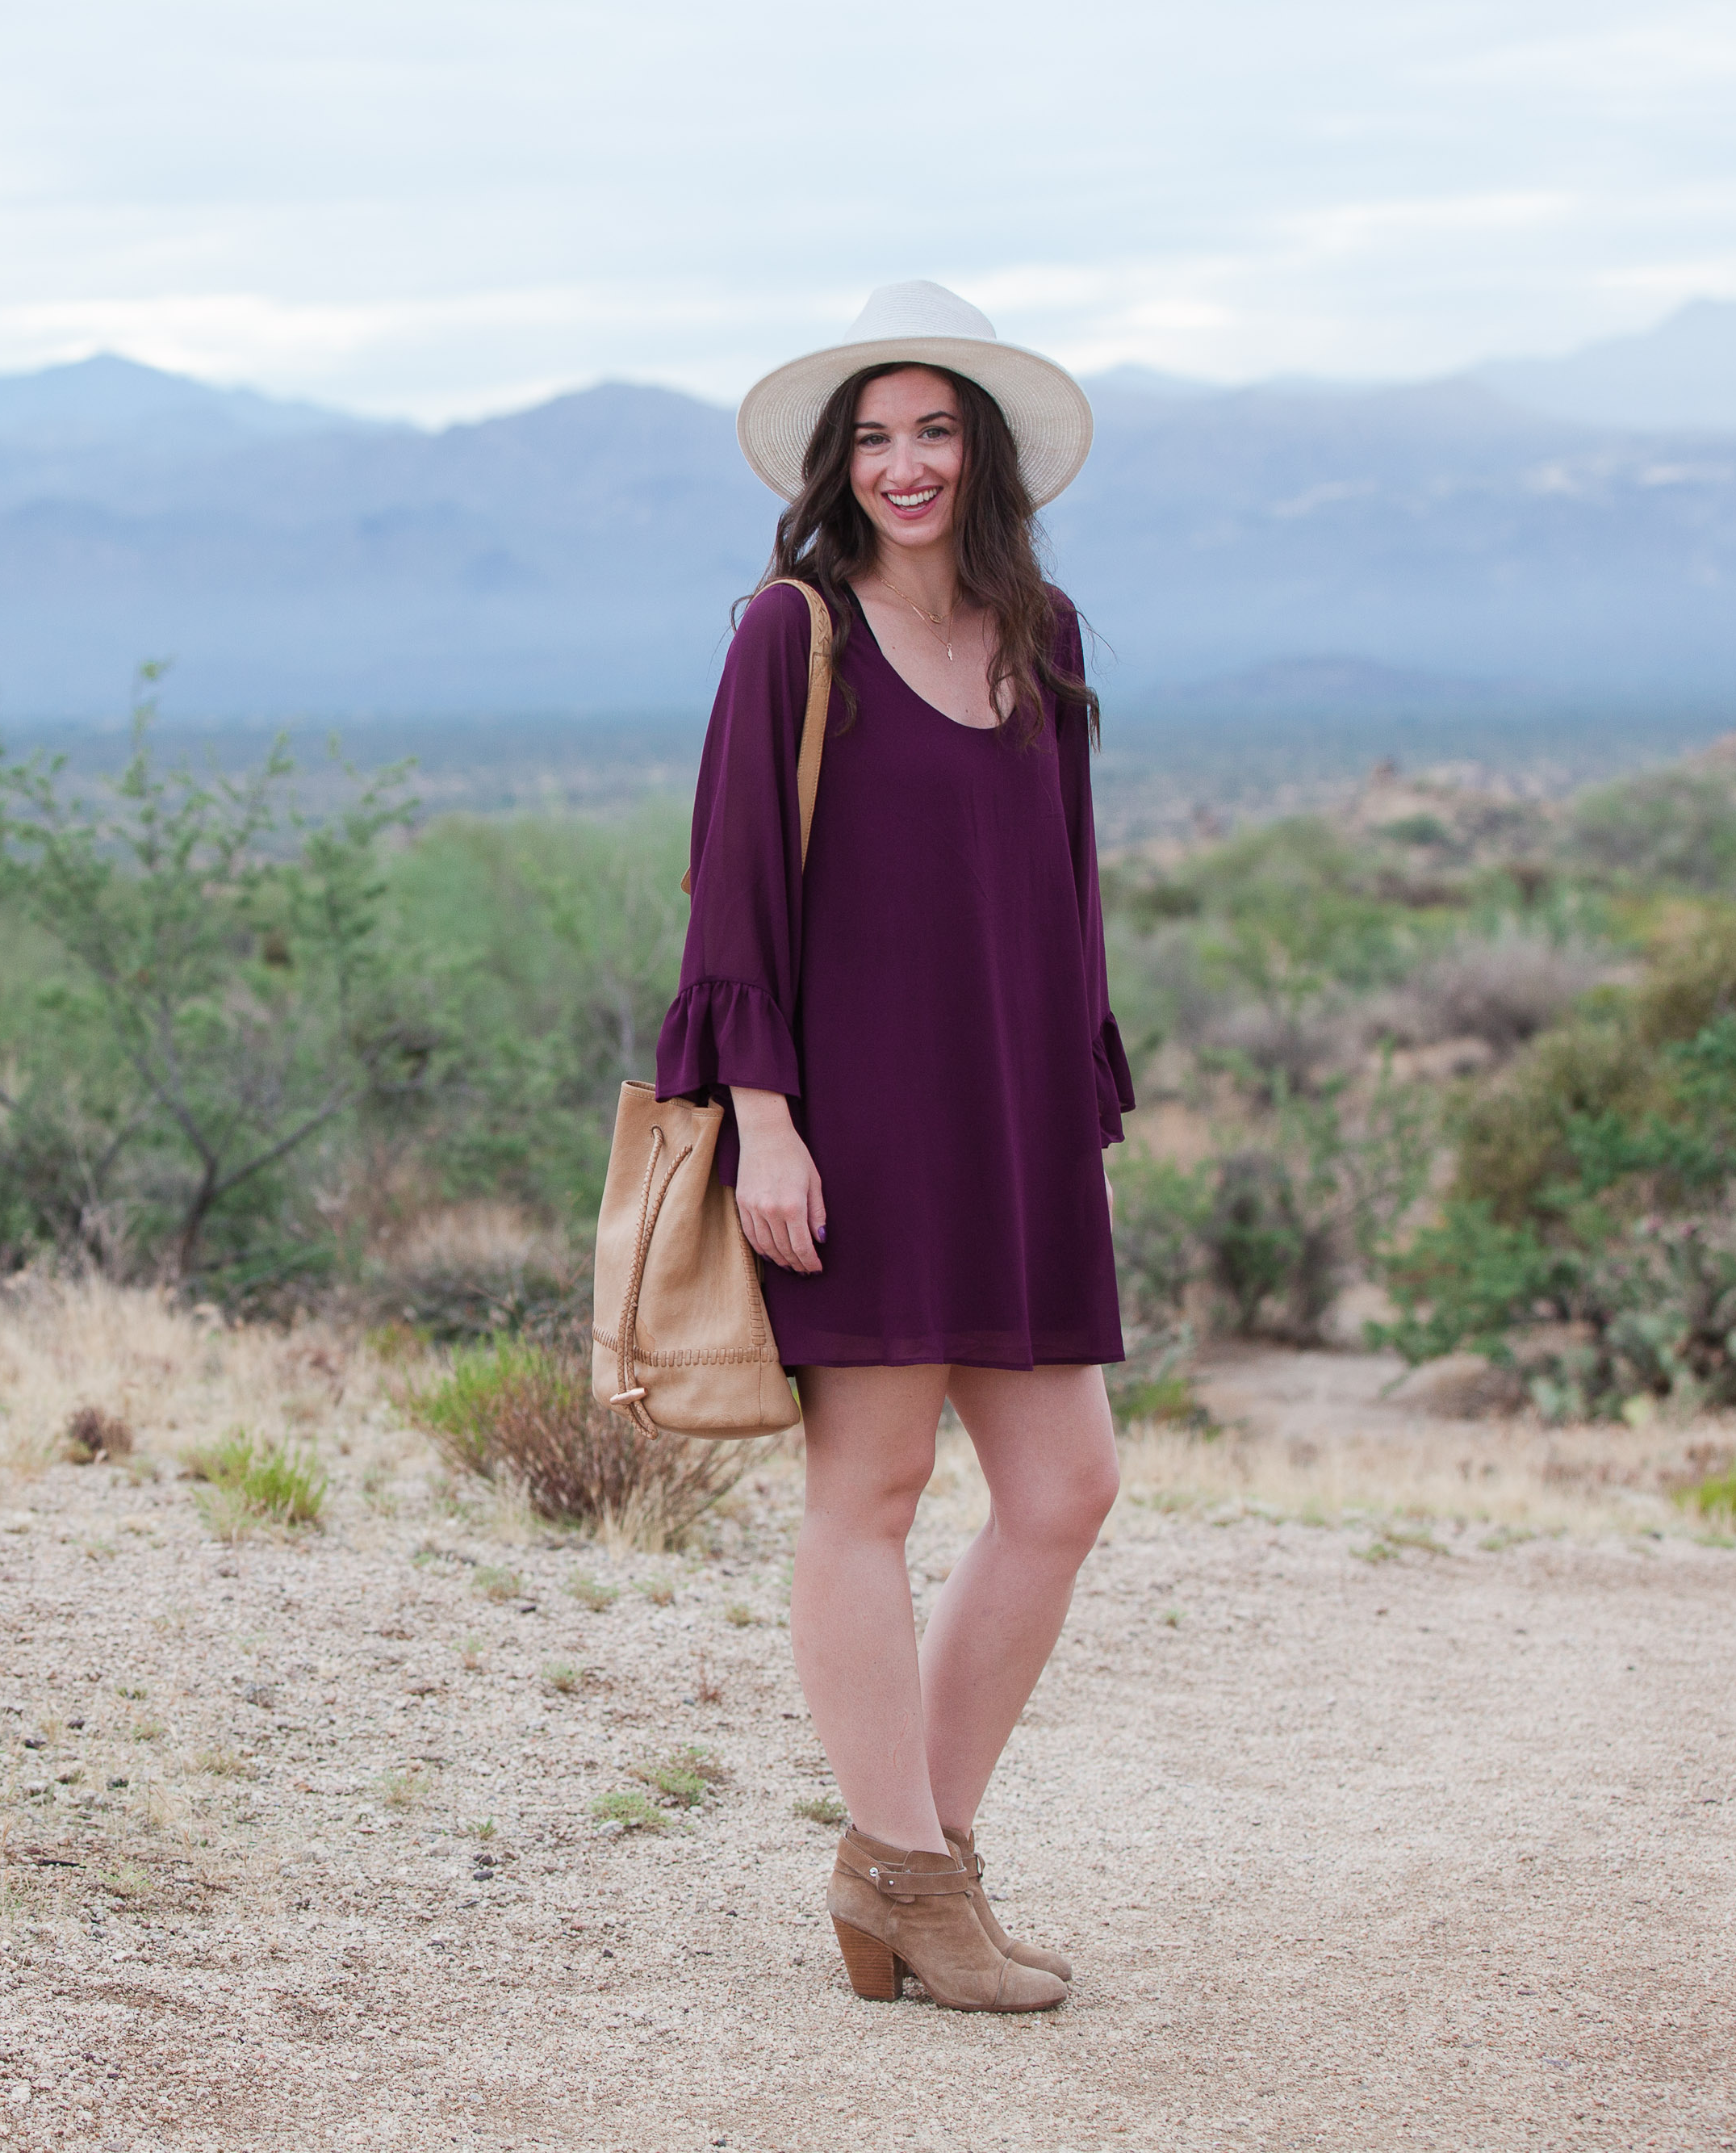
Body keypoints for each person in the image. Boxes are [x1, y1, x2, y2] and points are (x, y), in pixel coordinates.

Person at [656, 281, 1131, 2013]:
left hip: (1008, 1119)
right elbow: (731, 893)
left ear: (983, 450)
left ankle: (903, 1864)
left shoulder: (1045, 633)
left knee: (1063, 1488)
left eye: (933, 429)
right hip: (848, 1129)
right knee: (864, 1493)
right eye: (872, 435)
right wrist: (761, 1122)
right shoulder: (791, 634)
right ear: (832, 463)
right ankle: (914, 1875)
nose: (904, 463)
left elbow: (1061, 894)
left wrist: (1076, 1092)